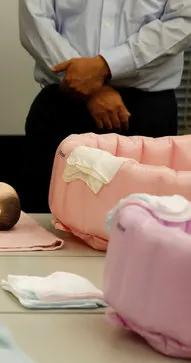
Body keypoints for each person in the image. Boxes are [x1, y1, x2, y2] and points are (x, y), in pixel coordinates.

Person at [19, 0, 191, 212]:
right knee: (44, 219)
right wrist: (85, 82)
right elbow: (35, 23)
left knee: (145, 222)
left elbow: (183, 21)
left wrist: (107, 65)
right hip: (63, 106)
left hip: (146, 111)